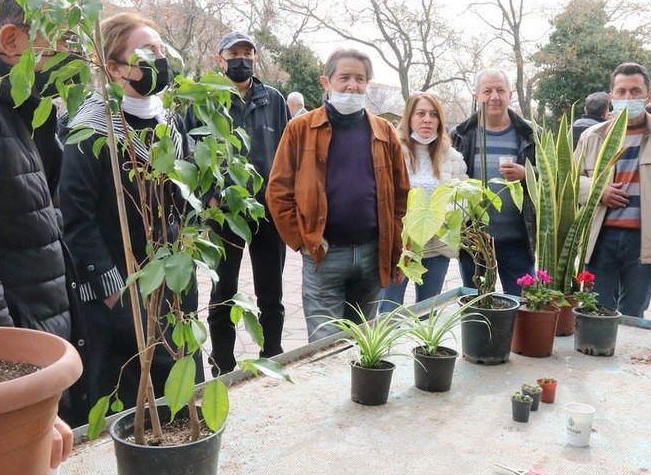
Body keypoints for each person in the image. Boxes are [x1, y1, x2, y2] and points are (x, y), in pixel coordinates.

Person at [0, 0, 75, 467]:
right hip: (12, 363)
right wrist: (19, 391)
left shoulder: (10, 110)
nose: (68, 62)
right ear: (10, 41)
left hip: (34, 335)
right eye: (57, 46)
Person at [61, 12, 202, 409]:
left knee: (178, 379)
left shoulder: (165, 123)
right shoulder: (91, 130)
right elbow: (77, 220)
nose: (159, 59)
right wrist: (113, 295)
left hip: (172, 277)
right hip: (122, 288)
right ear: (114, 68)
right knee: (132, 393)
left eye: (160, 49)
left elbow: (182, 199)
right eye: (146, 52)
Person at [267, 48, 409, 342]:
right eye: (344, 77)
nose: (352, 85)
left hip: (372, 254)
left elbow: (400, 197)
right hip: (325, 254)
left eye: (360, 79)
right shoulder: (300, 129)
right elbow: (278, 191)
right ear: (326, 81)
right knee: (324, 346)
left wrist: (397, 251)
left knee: (363, 343)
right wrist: (302, 240)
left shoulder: (384, 132)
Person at [186, 32, 289, 376]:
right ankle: (223, 365)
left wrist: (280, 198)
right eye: (234, 52)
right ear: (220, 58)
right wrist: (208, 197)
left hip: (266, 212)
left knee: (271, 293)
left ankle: (273, 355)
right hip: (223, 213)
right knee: (223, 292)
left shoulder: (273, 100)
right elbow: (189, 152)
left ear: (255, 58)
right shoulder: (204, 100)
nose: (241, 58)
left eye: (248, 52)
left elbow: (287, 154)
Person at [575, 63, 651, 318]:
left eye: (635, 91)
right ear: (611, 97)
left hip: (645, 241)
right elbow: (570, 182)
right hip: (600, 238)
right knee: (596, 309)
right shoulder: (592, 136)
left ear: (649, 96)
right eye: (622, 91)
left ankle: (628, 358)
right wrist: (598, 192)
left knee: (633, 313)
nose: (628, 97)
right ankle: (597, 354)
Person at [449, 68, 536, 296]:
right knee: (477, 308)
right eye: (487, 91)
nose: (494, 97)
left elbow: (553, 177)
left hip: (518, 240)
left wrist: (528, 173)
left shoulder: (530, 133)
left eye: (500, 90)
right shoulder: (460, 134)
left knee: (523, 307)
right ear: (476, 96)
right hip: (475, 241)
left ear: (510, 94)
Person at [379, 92, 467, 312]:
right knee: (388, 310)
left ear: (440, 120)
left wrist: (442, 219)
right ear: (409, 118)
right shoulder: (393, 152)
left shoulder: (452, 157)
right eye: (421, 113)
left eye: (433, 114)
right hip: (400, 246)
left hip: (437, 246)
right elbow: (384, 197)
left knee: (428, 312)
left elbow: (461, 199)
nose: (427, 119)